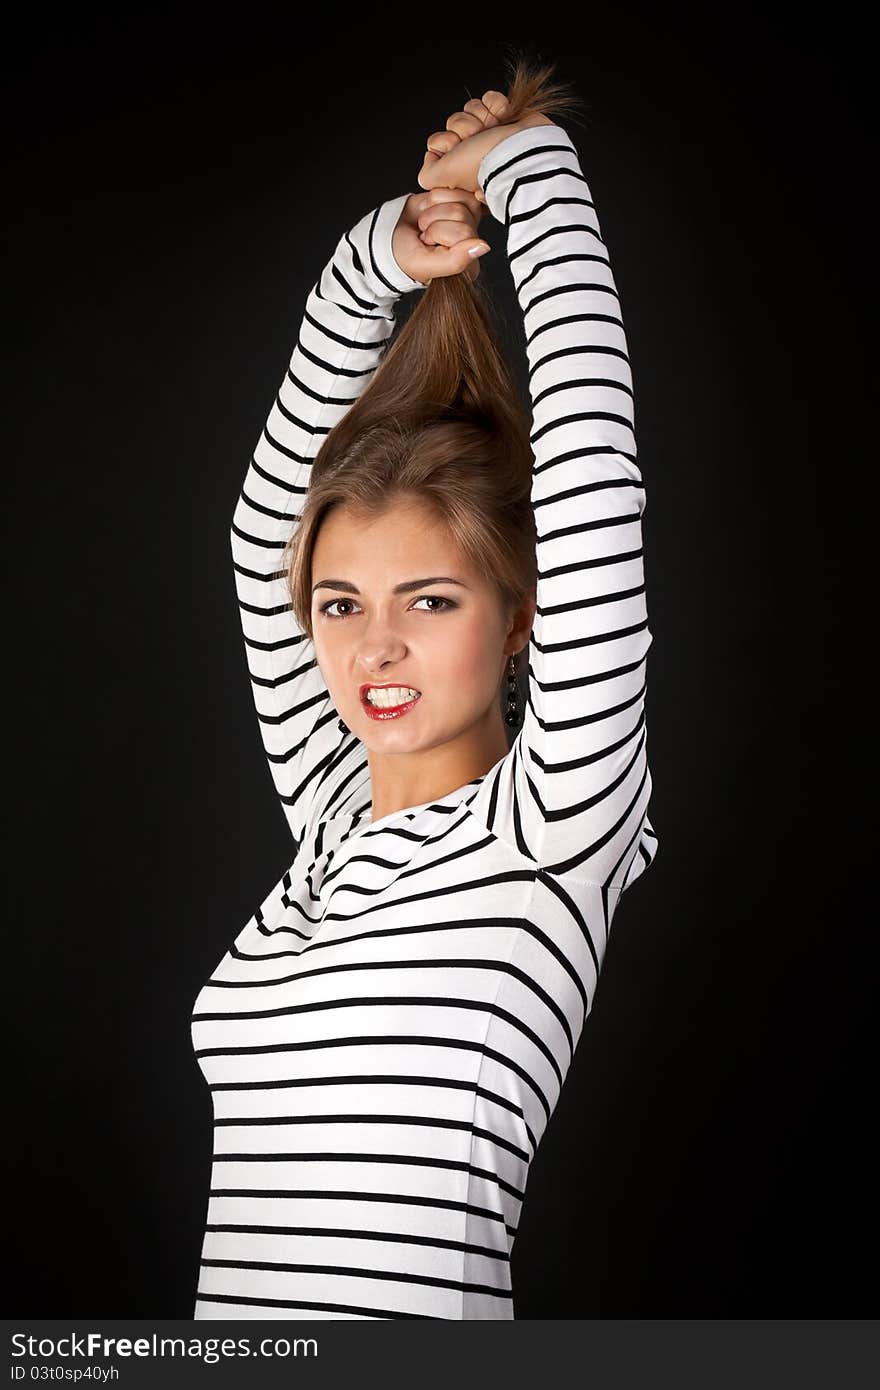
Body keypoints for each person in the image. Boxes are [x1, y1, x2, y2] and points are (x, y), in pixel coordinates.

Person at [191, 58, 659, 1320]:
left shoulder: (554, 820)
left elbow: (591, 462)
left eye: (431, 601)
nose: (372, 649)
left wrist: (523, 168)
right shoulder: (332, 817)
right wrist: (383, 260)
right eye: (340, 604)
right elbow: (258, 539)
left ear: (522, 620)